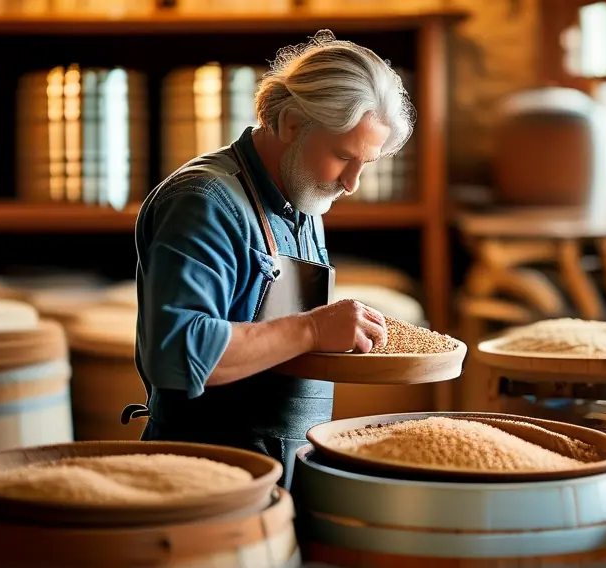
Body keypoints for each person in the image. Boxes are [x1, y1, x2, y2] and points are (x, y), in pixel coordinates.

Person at [120, 30, 416, 489]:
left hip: (287, 468)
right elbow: (177, 352)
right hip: (207, 476)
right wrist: (313, 329)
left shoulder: (302, 197)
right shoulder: (205, 201)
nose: (352, 183)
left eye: (366, 163)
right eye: (343, 156)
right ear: (292, 122)